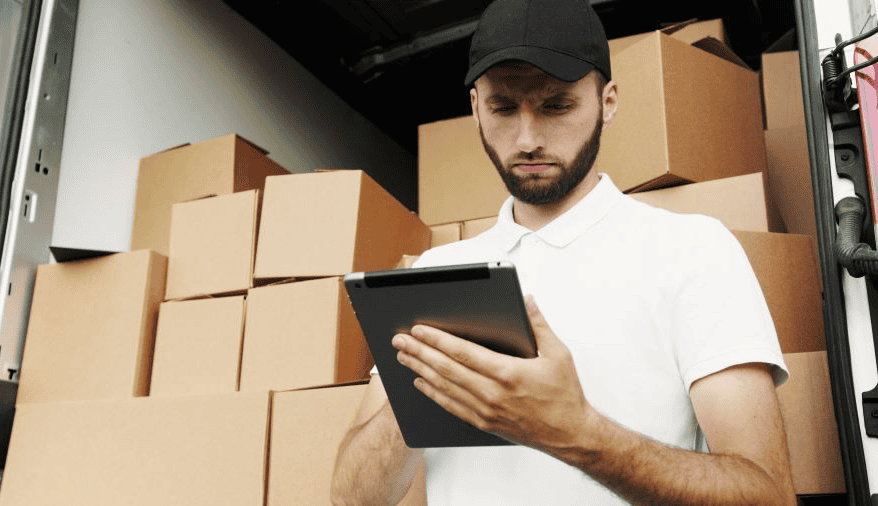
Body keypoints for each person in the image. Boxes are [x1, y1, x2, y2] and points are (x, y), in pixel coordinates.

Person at [331, 0, 797, 504]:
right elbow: (352, 498)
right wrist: (427, 386)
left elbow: (767, 495)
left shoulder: (692, 250)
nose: (527, 139)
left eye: (556, 106)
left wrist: (577, 432)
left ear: (608, 103)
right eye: (503, 108)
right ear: (475, 108)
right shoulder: (436, 272)